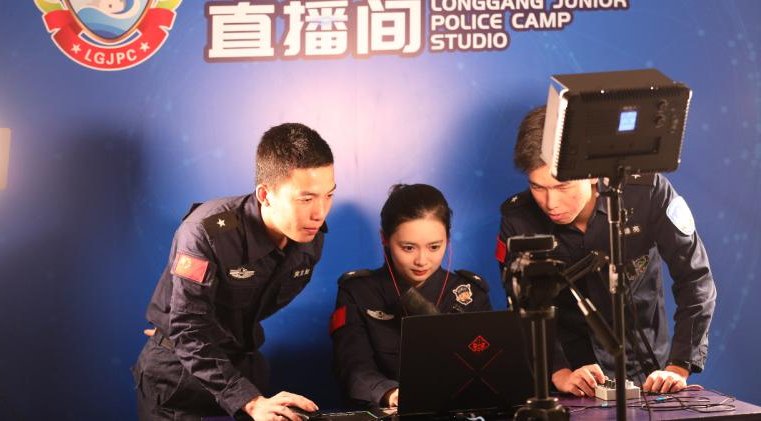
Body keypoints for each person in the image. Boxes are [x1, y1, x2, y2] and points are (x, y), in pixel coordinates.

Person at [497, 106, 716, 398]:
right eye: (538, 187)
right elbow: (522, 306)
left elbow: (695, 280)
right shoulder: (518, 219)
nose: (550, 203)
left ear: (592, 174)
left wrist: (678, 367)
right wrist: (558, 372)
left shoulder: (648, 191)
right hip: (571, 380)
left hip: (649, 373)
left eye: (563, 186)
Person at [132, 123, 336, 421]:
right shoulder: (205, 232)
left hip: (242, 367)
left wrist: (212, 333)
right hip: (178, 378)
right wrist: (249, 400)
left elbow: (253, 305)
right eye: (306, 199)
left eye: (328, 195)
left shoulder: (309, 236)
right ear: (265, 195)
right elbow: (188, 328)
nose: (320, 212)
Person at [330, 184, 492, 408]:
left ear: (448, 238)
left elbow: (487, 368)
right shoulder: (358, 292)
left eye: (434, 247)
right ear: (384, 238)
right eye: (408, 248)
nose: (422, 261)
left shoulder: (471, 294)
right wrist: (390, 393)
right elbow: (353, 367)